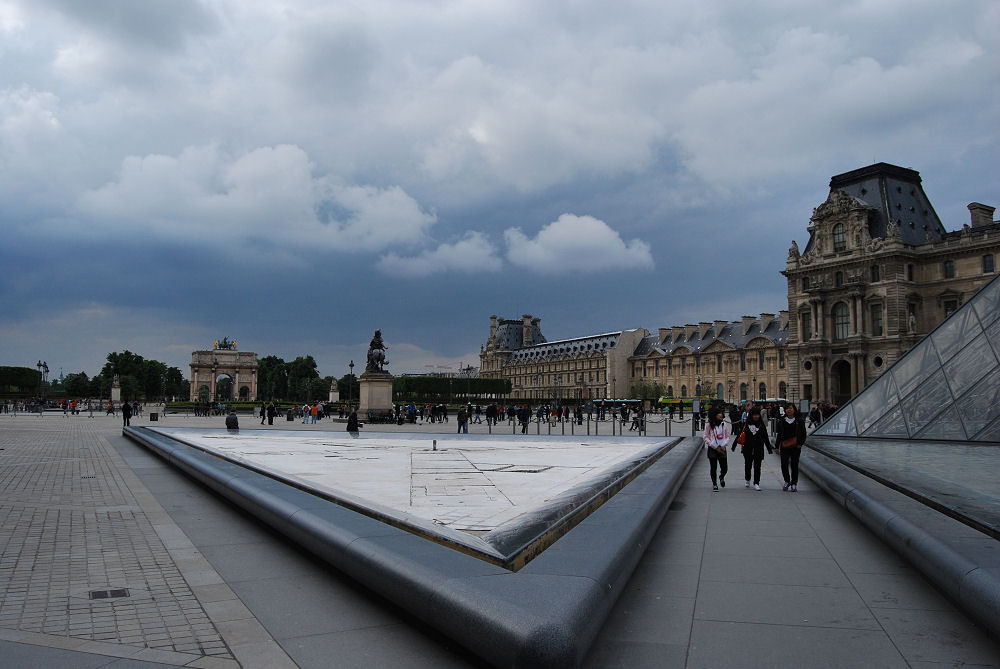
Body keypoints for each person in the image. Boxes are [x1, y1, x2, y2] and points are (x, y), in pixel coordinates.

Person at [734, 407, 772, 490]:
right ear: (751, 415)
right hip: (748, 448)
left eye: (757, 415)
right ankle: (747, 478)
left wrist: (769, 449)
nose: (756, 416)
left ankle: (756, 482)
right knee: (748, 465)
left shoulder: (761, 425)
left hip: (758, 448)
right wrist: (734, 445)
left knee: (757, 466)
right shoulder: (746, 425)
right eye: (754, 415)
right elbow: (739, 434)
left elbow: (765, 437)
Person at [775, 404, 807, 491]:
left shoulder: (799, 420)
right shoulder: (781, 421)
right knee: (784, 464)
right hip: (785, 445)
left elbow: (803, 434)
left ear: (794, 410)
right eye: (787, 408)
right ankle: (787, 480)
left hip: (795, 446)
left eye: (790, 408)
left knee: (794, 465)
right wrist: (777, 446)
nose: (789, 410)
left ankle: (794, 483)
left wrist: (800, 444)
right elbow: (779, 434)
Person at [703, 408, 729, 491]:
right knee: (713, 467)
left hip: (722, 448)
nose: (721, 414)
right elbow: (705, 436)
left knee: (724, 467)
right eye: (719, 413)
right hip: (713, 448)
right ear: (715, 415)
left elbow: (727, 436)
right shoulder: (709, 426)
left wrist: (724, 445)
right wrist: (711, 444)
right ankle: (714, 484)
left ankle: (721, 476)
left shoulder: (724, 424)